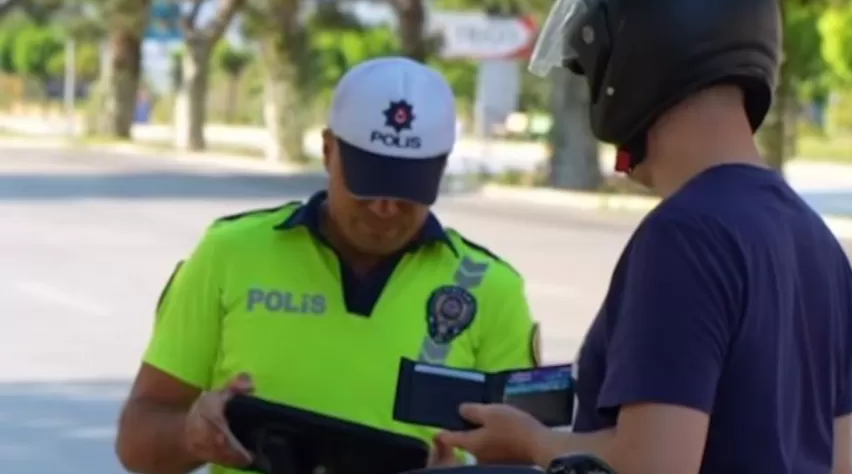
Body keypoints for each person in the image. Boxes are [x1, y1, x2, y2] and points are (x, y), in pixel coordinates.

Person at [437, 0, 852, 474]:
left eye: (595, 72)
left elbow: (656, 464)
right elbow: (838, 464)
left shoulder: (686, 235)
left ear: (634, 66)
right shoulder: (816, 240)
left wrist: (533, 444)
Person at [114, 57, 541, 474]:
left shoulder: (491, 290)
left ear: (442, 167)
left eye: (407, 186)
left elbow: (524, 460)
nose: (385, 207)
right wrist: (191, 435)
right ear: (327, 150)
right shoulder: (230, 253)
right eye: (370, 181)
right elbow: (137, 442)